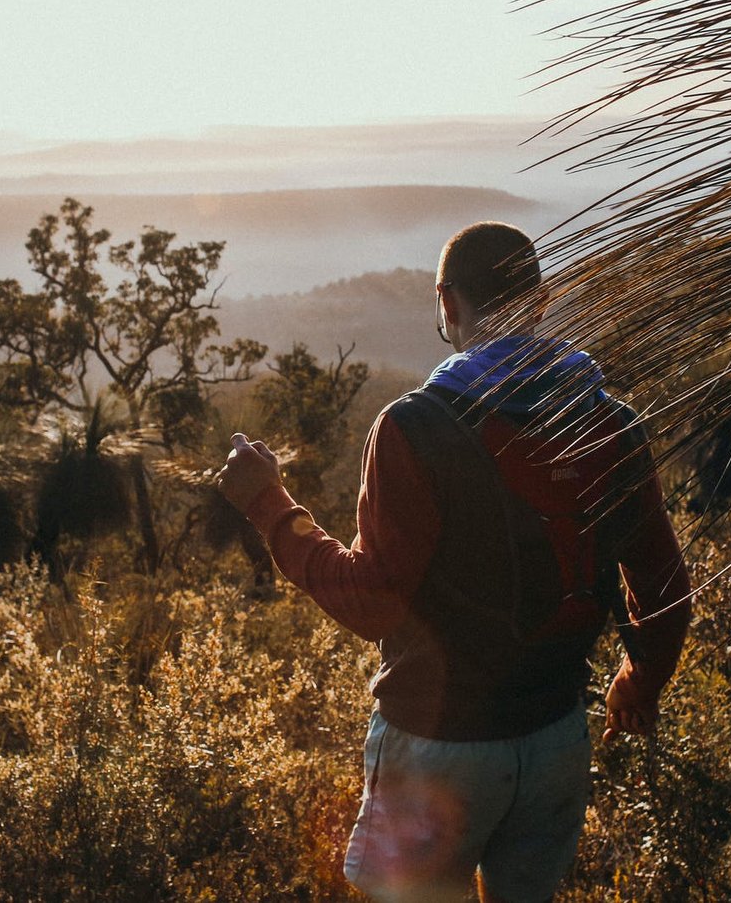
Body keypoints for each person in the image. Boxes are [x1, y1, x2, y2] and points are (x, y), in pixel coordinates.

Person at [215, 221, 691, 903]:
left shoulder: (417, 429)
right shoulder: (609, 421)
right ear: (542, 300)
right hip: (557, 737)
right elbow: (663, 586)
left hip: (437, 749)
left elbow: (372, 602)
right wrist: (640, 683)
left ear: (446, 303)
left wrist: (269, 505)